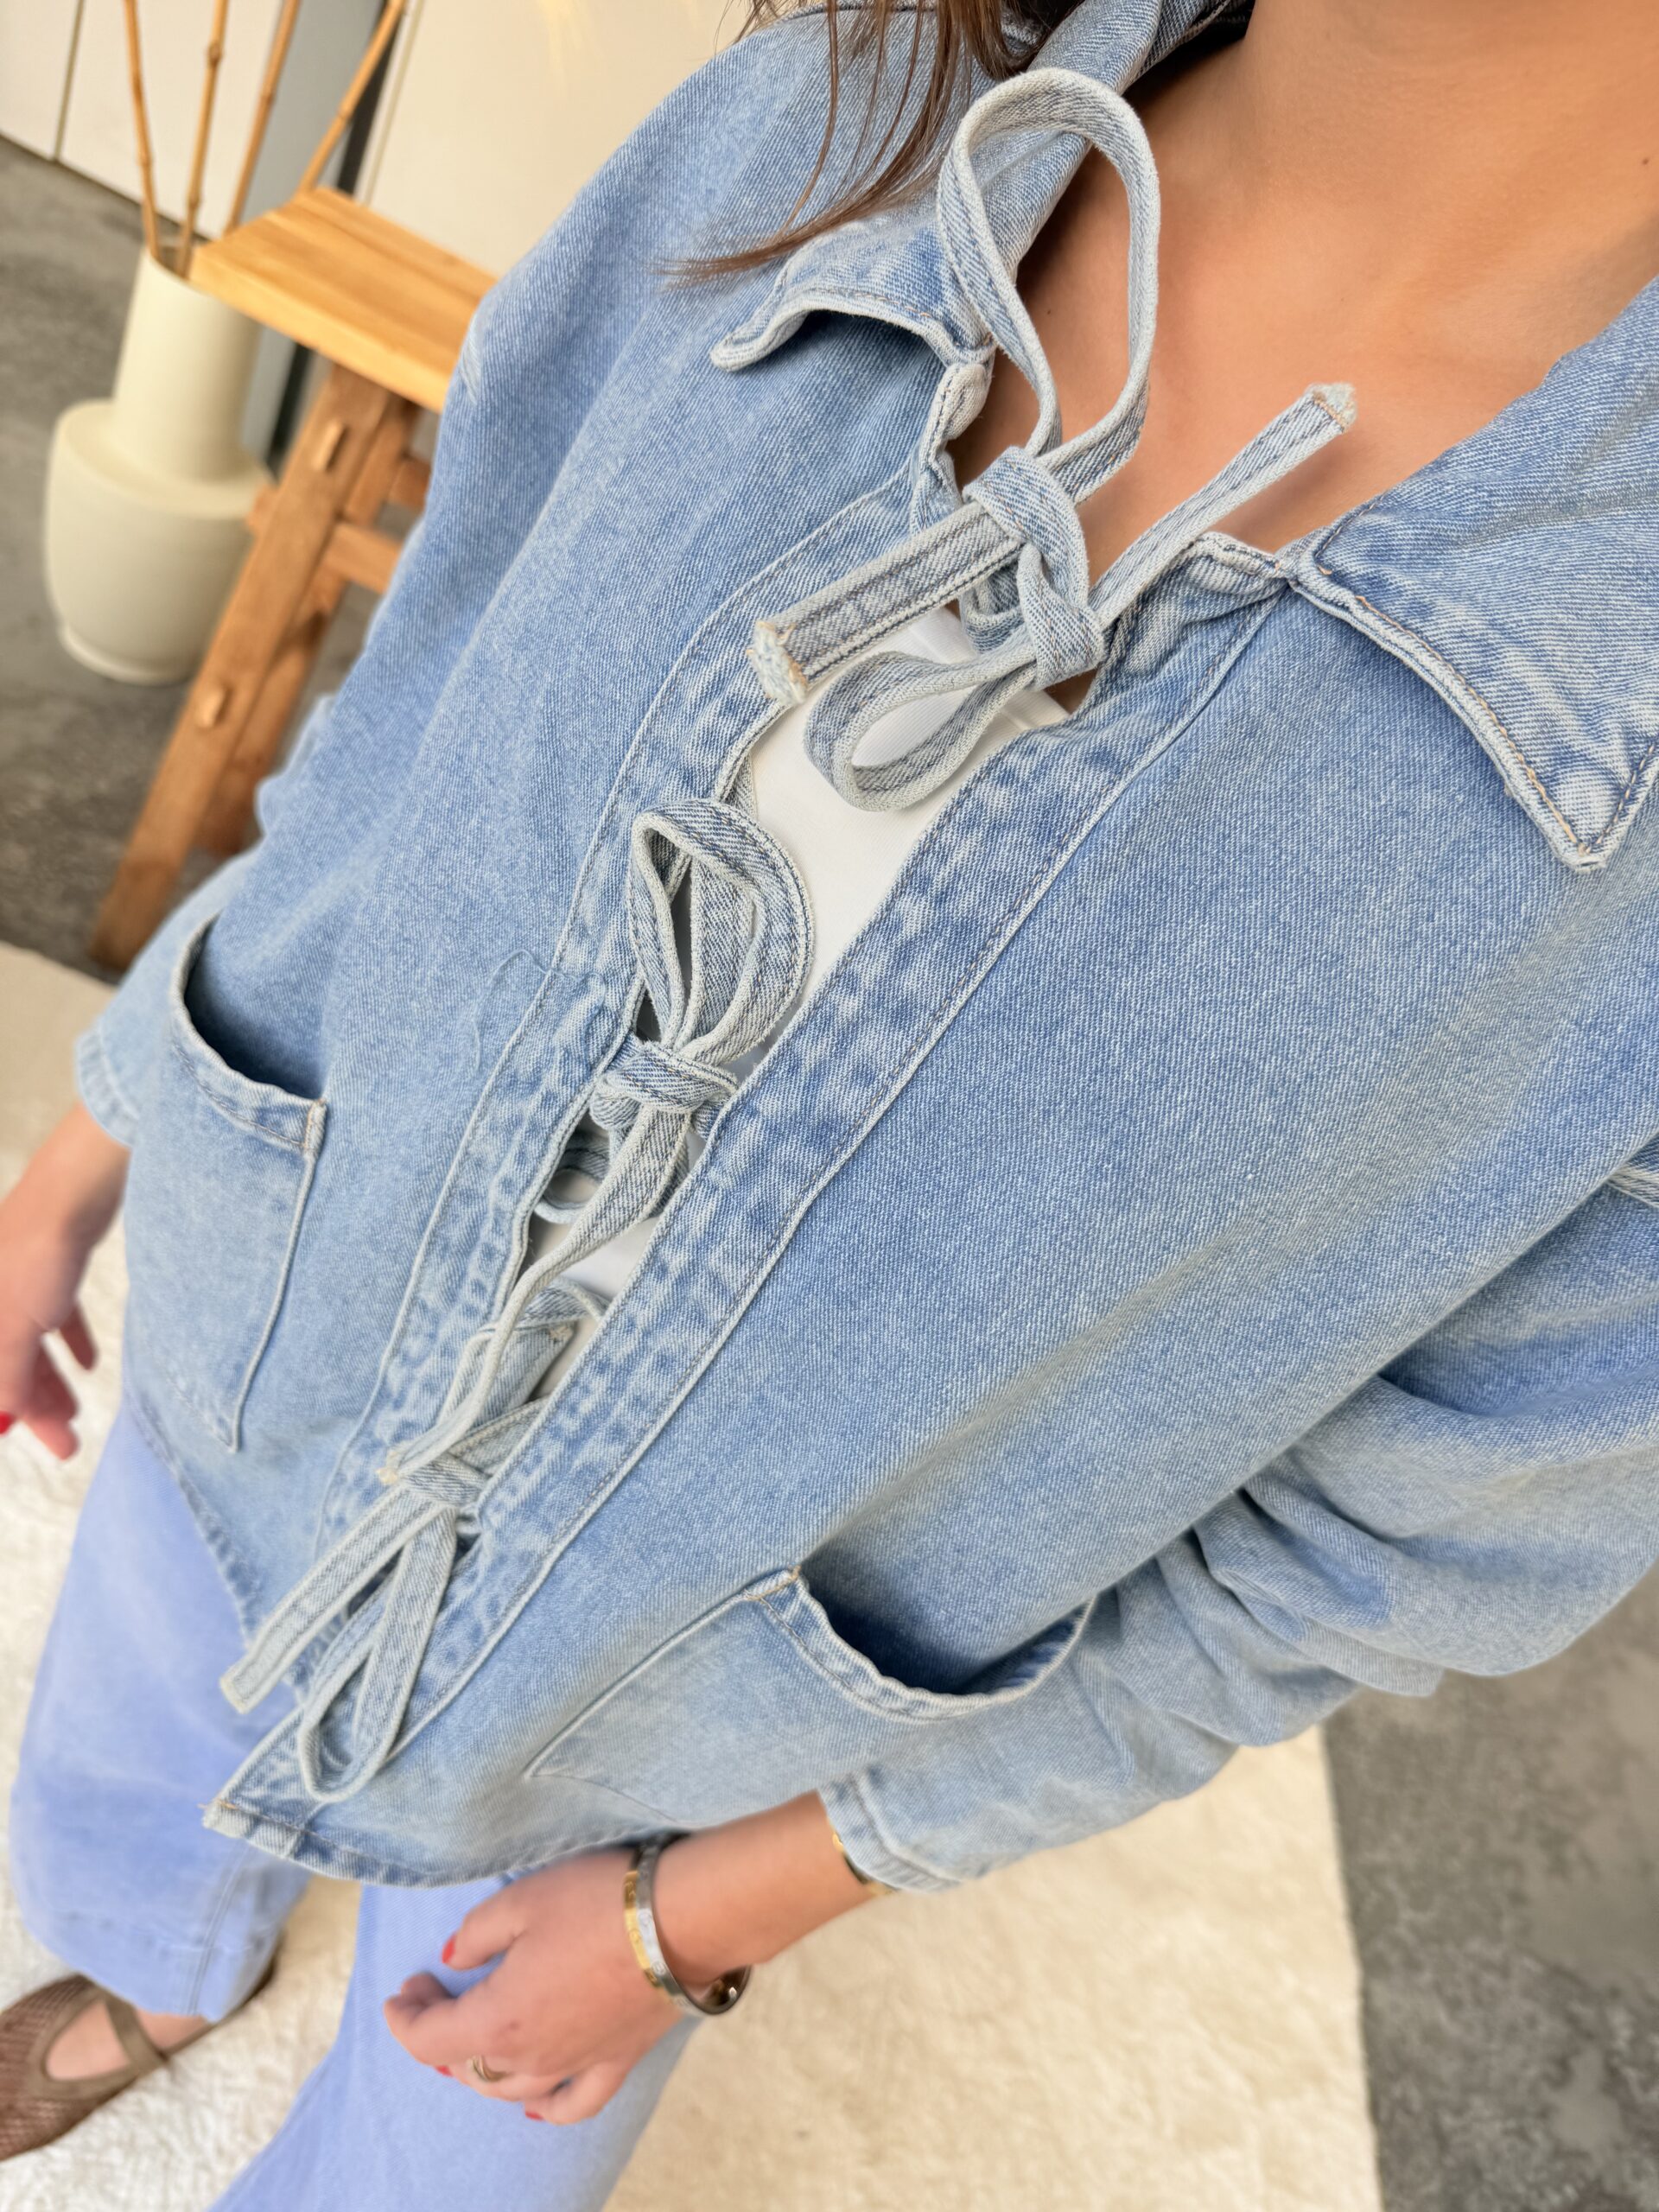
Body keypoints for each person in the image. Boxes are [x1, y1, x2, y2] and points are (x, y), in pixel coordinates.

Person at [3, 0, 1658, 2196]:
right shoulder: (837, 113)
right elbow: (428, 720)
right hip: (262, 1340)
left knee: (448, 2143)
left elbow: (1406, 1539)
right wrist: (118, 1111)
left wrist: (705, 1913)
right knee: (138, 1705)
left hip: (671, 1732)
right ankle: (147, 1961)